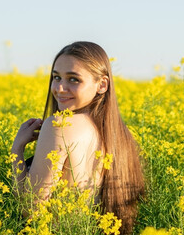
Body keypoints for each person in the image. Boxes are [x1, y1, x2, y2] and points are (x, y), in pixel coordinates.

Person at [11, 41, 144, 234]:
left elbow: (30, 210)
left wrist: (17, 150)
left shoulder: (59, 126)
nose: (60, 88)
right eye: (56, 77)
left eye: (73, 79)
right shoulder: (120, 135)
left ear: (102, 85)